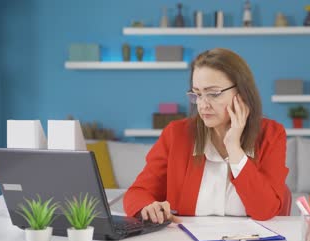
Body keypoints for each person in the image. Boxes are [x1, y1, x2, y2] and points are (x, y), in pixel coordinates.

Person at [123, 48, 289, 223]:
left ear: (241, 93)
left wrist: (234, 148)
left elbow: (265, 210)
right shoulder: (176, 134)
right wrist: (147, 208)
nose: (203, 105)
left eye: (213, 94)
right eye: (198, 94)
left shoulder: (271, 134)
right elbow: (138, 193)